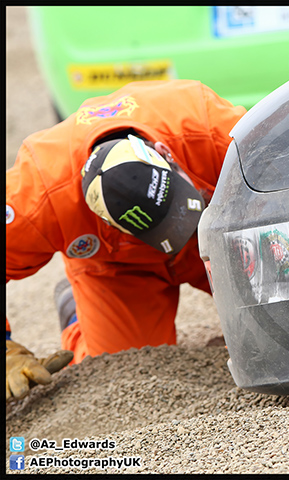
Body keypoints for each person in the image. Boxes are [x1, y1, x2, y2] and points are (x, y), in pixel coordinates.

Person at [6, 79, 246, 401]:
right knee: (117, 371)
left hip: (216, 233)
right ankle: (77, 316)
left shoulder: (207, 125)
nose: (175, 234)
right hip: (121, 268)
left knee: (277, 328)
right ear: (99, 216)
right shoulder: (41, 193)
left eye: (177, 210)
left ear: (164, 153)